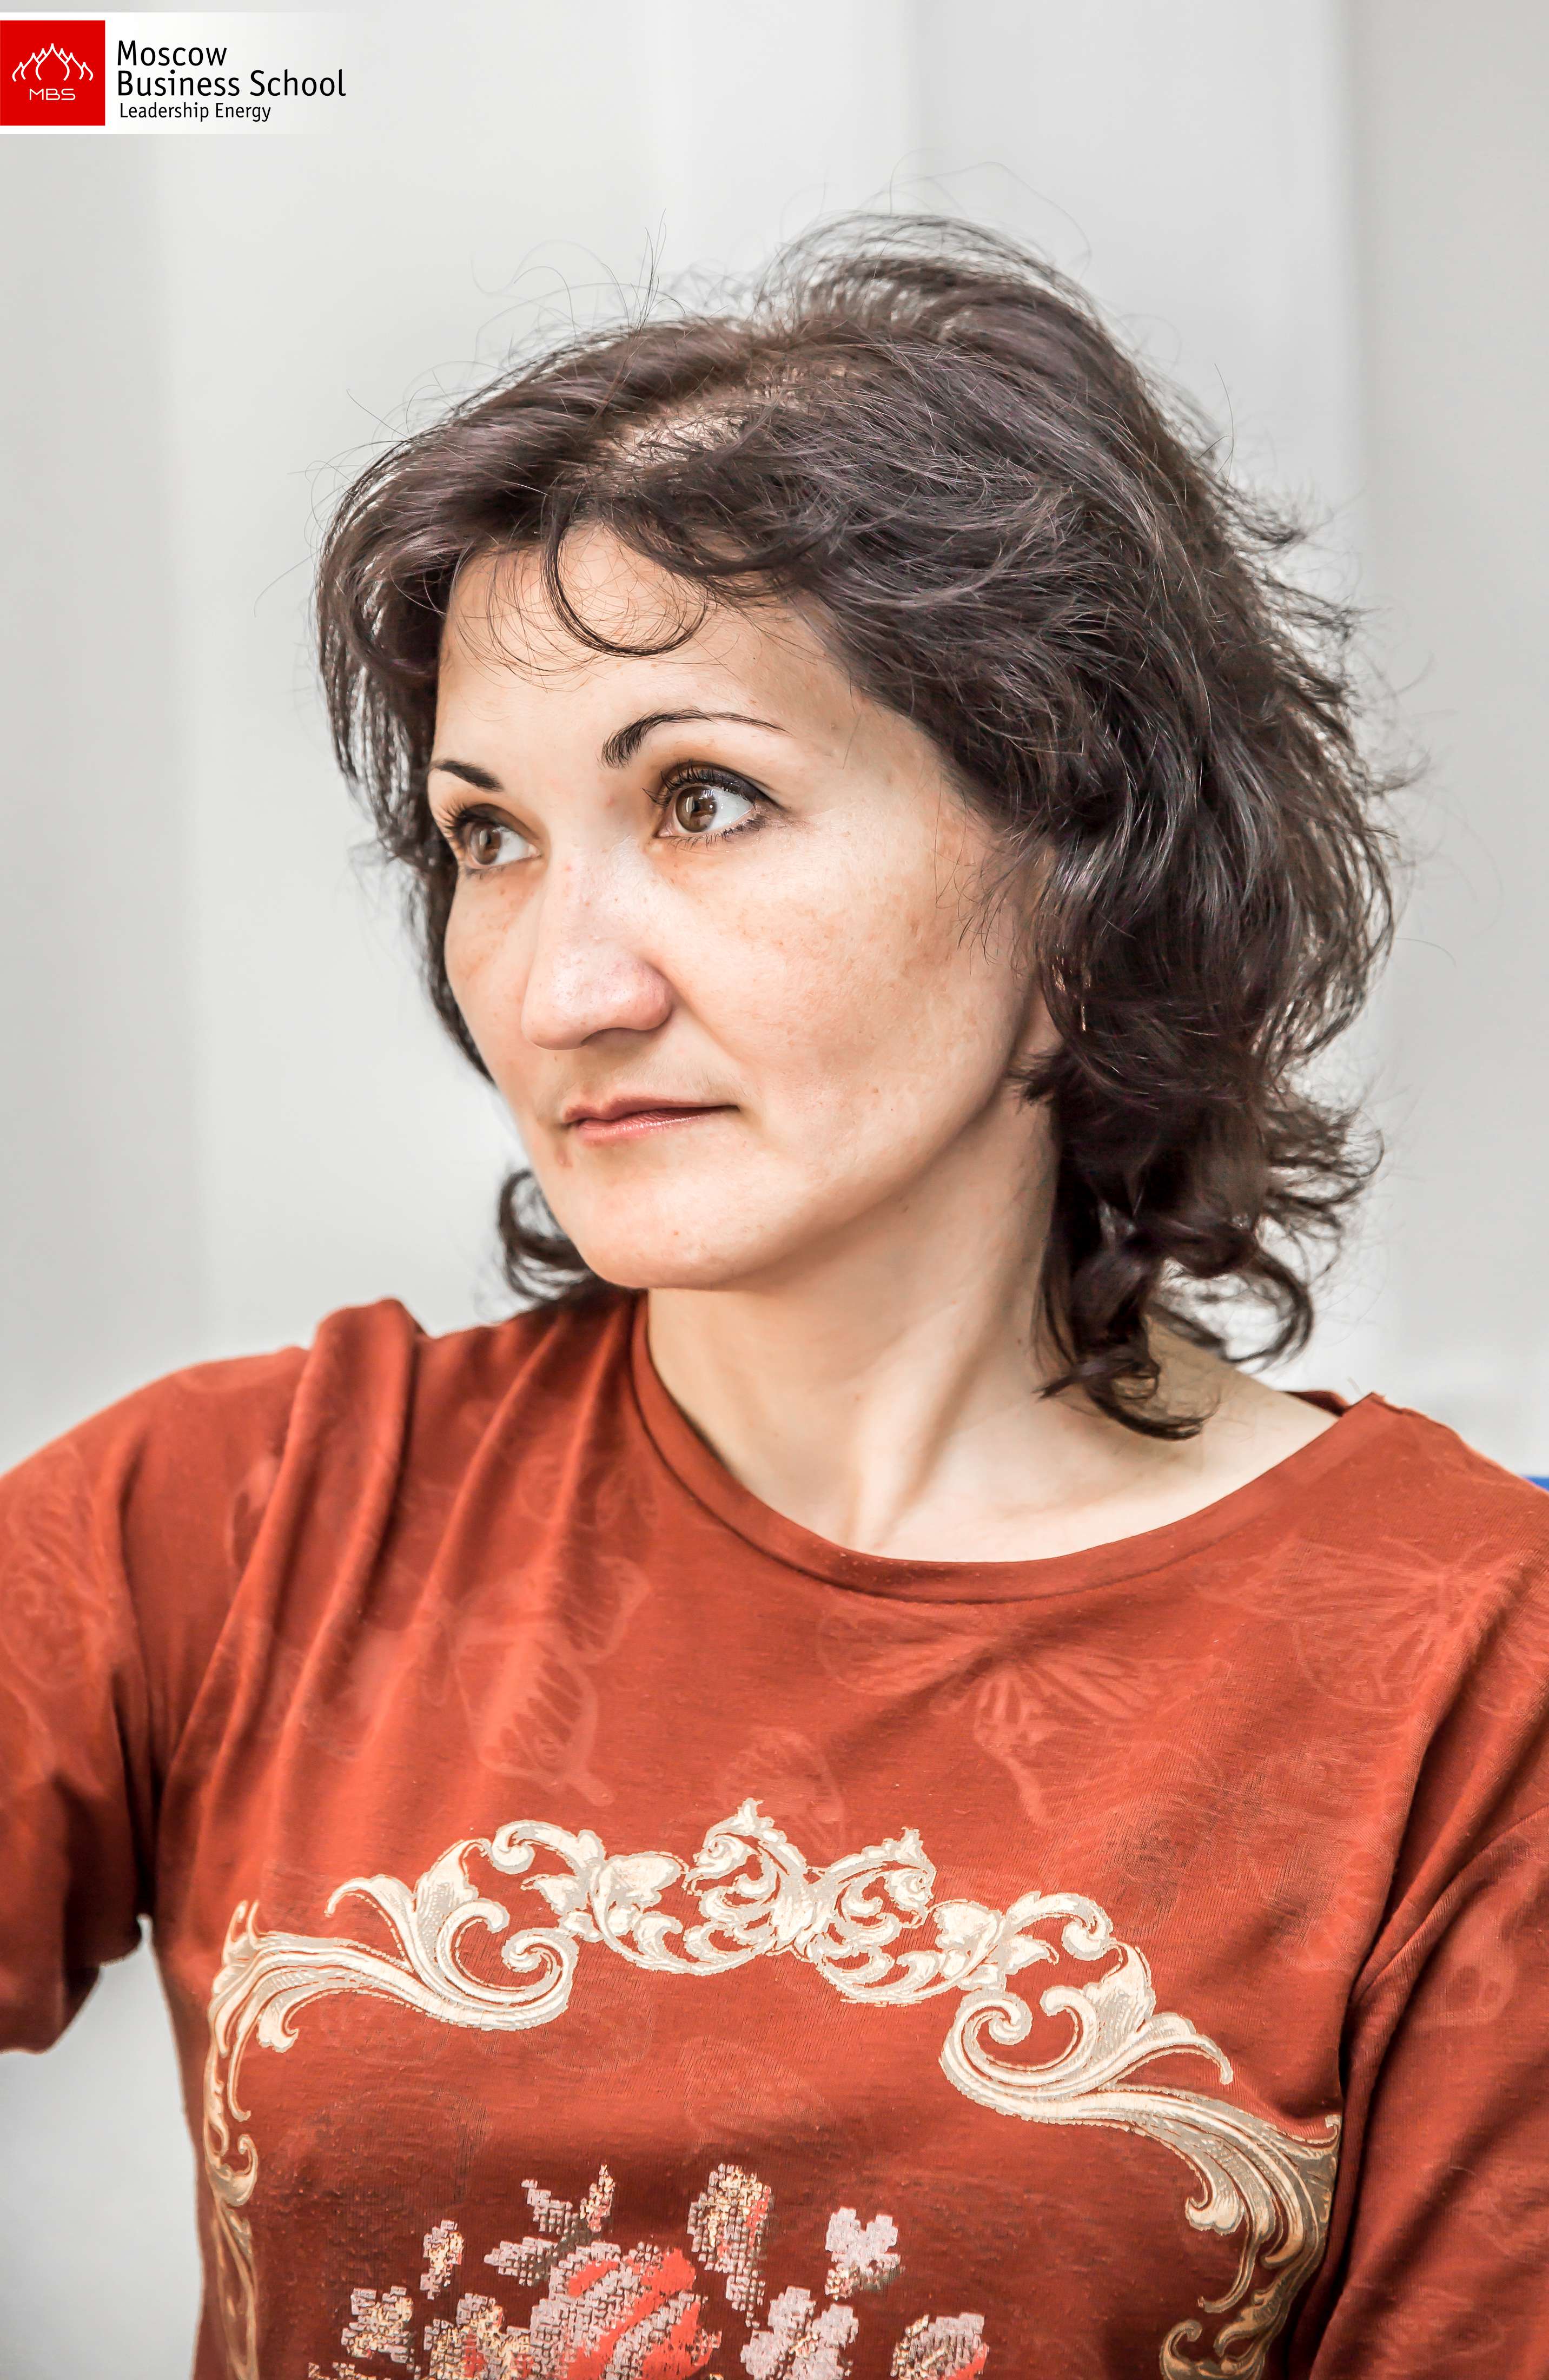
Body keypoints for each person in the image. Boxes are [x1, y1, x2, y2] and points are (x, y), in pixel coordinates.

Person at [3, 217, 1545, 2380]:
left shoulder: (1468, 1671)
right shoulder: (237, 1515)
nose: (562, 986)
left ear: (1081, 871)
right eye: (489, 837)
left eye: (704, 800)